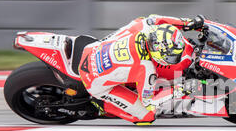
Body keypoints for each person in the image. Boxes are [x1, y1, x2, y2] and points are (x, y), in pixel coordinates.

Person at [77, 14, 205, 125]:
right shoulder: (146, 69)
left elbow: (156, 19)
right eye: (171, 56)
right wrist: (179, 89)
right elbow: (149, 101)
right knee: (147, 116)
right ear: (158, 52)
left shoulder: (144, 27)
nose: (173, 58)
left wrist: (187, 23)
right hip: (94, 81)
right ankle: (102, 105)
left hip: (92, 49)